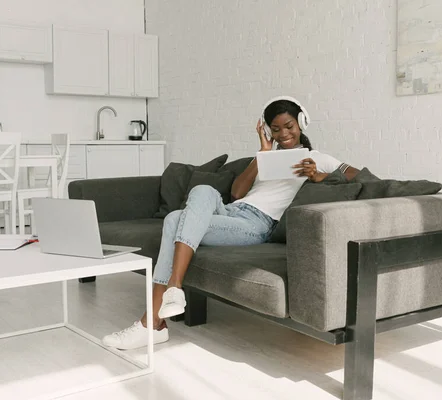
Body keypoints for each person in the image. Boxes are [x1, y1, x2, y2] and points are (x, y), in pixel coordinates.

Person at [102, 97, 360, 350]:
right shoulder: (263, 157)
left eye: (289, 126)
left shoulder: (317, 158)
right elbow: (237, 193)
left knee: (173, 219)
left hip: (257, 224)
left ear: (301, 123)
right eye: (276, 128)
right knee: (203, 190)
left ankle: (155, 319)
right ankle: (169, 298)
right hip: (230, 211)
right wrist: (262, 156)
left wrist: (318, 175)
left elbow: (360, 177)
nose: (283, 134)